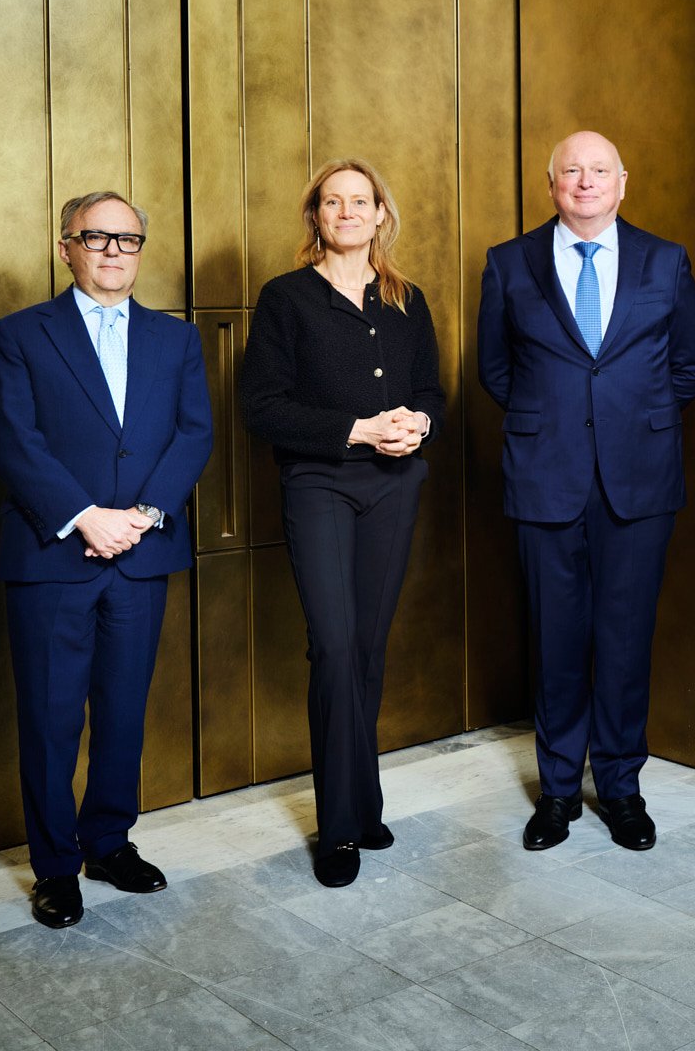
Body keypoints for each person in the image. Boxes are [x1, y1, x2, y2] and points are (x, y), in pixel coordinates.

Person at [0, 191, 213, 928]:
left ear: (141, 250)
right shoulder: (21, 334)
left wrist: (141, 518)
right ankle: (55, 867)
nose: (114, 250)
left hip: (141, 555)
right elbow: (13, 440)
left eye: (128, 239)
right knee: (52, 719)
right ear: (67, 248)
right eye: (96, 237)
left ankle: (108, 842)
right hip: (53, 559)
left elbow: (194, 434)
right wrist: (85, 517)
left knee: (123, 712)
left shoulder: (175, 339)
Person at [477, 131, 695, 853]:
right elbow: (495, 369)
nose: (585, 181)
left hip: (639, 479)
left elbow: (691, 365)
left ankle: (620, 787)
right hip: (545, 476)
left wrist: (627, 421)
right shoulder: (509, 262)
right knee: (555, 640)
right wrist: (556, 423)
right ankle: (556, 793)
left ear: (622, 181)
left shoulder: (665, 260)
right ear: (551, 184)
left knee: (625, 639)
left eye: (599, 170)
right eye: (571, 171)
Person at [241, 159, 444, 888]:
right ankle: (338, 827)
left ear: (381, 213)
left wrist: (419, 423)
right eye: (334, 201)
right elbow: (261, 406)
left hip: (394, 487)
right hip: (320, 483)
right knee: (331, 646)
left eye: (362, 201)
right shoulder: (286, 298)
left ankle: (363, 800)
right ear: (316, 216)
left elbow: (432, 391)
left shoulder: (407, 300)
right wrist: (358, 429)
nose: (349, 212)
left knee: (365, 648)